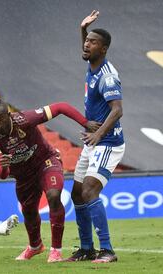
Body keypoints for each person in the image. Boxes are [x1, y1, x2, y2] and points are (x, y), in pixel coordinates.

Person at [0, 98, 100, 262]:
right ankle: (35, 246)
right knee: (28, 211)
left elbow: (60, 107)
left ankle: (56, 251)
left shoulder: (25, 119)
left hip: (45, 162)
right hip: (23, 175)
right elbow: (2, 174)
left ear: (8, 115)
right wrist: (5, 166)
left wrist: (85, 122)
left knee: (53, 195)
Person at [66, 10, 125, 263]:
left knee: (90, 190)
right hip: (95, 141)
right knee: (77, 193)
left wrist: (98, 134)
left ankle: (107, 251)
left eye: (92, 42)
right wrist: (82, 29)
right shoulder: (93, 61)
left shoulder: (107, 76)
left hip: (109, 143)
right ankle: (86, 249)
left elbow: (118, 110)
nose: (87, 45)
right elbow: (85, 51)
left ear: (104, 49)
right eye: (86, 40)